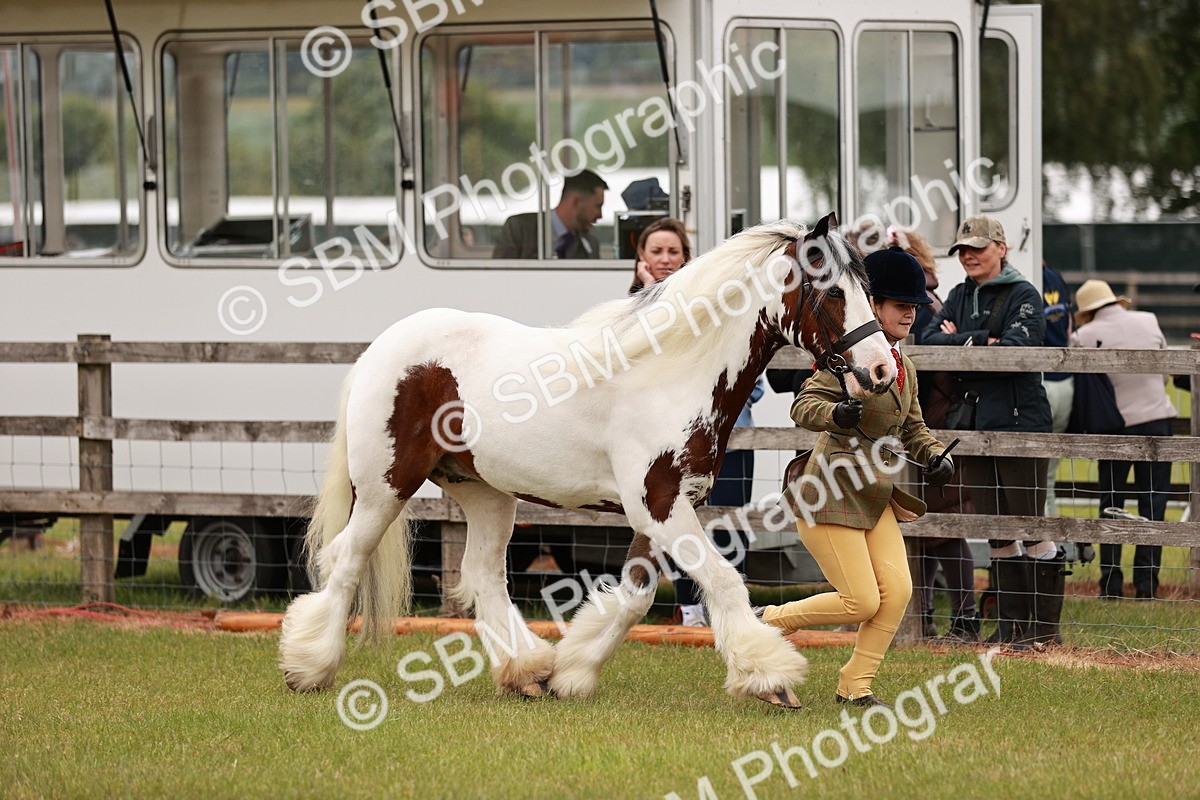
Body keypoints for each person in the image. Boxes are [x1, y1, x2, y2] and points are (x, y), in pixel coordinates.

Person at [760, 248, 955, 706]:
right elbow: (802, 406)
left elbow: (913, 428)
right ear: (873, 305)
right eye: (900, 305)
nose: (911, 312)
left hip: (873, 495)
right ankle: (767, 621)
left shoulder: (904, 365)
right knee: (862, 601)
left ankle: (854, 687)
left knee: (898, 591)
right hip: (826, 492)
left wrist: (934, 457)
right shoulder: (847, 358)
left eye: (915, 305)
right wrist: (837, 414)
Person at [919, 215, 1064, 647]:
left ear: (1001, 247)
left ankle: (1044, 629)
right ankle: (1012, 626)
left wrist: (961, 338)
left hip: (1021, 421)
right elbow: (927, 339)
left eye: (977, 248)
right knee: (995, 528)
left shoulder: (1024, 294)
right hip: (977, 425)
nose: (968, 256)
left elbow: (1019, 351)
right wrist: (984, 341)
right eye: (962, 249)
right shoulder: (959, 294)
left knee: (1029, 522)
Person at [623, 218, 761, 627]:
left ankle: (735, 611)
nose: (665, 259)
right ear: (642, 259)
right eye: (656, 252)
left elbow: (746, 371)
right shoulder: (629, 307)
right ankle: (691, 610)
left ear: (687, 257)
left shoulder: (715, 303)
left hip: (730, 436)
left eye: (673, 251)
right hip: (669, 444)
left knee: (731, 522)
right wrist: (648, 293)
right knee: (679, 524)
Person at [890, 229, 982, 643]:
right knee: (927, 529)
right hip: (931, 420)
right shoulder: (934, 300)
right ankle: (925, 616)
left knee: (943, 530)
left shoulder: (917, 304)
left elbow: (928, 352)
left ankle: (963, 618)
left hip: (934, 422)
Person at [1072, 279, 1176, 599]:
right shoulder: (1149, 320)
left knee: (1111, 504)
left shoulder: (1081, 336)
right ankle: (1147, 585)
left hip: (1113, 426)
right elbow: (1166, 372)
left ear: (1087, 310)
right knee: (1153, 502)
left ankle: (1111, 585)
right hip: (1157, 420)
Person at [492, 170, 607, 259]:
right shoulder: (519, 229)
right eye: (597, 206)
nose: (600, 215)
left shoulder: (590, 245)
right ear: (576, 202)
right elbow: (498, 278)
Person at [1041, 263, 1075, 515]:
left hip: (1042, 382)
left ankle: (1041, 544)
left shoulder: (1026, 279)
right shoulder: (1056, 276)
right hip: (1065, 381)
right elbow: (1069, 325)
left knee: (1033, 477)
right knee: (1048, 475)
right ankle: (1049, 543)